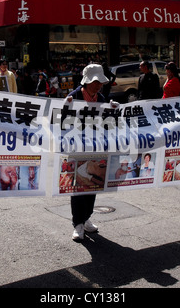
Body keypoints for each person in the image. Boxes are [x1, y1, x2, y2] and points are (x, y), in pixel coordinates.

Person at [65, 63, 110, 241]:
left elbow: (108, 125)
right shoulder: (73, 97)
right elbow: (61, 125)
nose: (98, 85)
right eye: (95, 81)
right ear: (86, 81)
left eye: (100, 82)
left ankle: (86, 218)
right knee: (78, 186)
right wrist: (65, 107)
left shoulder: (101, 98)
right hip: (77, 149)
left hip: (96, 148)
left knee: (92, 186)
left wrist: (112, 111)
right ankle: (77, 223)